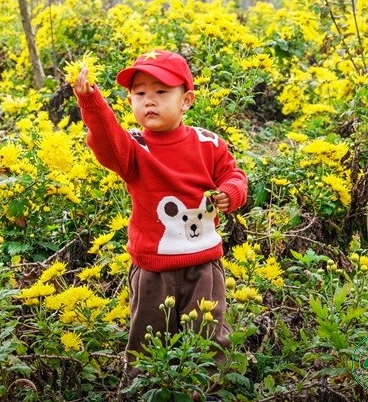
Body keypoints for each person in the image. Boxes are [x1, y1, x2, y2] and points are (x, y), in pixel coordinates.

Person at [71, 49, 248, 393]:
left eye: (161, 92)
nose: (149, 101)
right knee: (146, 343)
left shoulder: (207, 143)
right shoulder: (134, 148)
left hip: (203, 267)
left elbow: (233, 173)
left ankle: (209, 392)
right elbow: (107, 142)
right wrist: (91, 102)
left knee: (209, 339)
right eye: (140, 94)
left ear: (187, 100)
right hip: (152, 270)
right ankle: (140, 392)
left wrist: (231, 191)